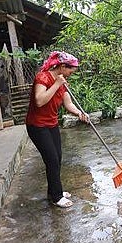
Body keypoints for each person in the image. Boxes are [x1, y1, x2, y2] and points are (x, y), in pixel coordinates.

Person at [25, 51, 89, 208]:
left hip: (51, 124)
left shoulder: (62, 82)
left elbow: (68, 104)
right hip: (37, 126)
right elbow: (39, 101)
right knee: (52, 159)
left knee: (56, 158)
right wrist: (57, 84)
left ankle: (54, 190)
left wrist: (79, 113)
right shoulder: (43, 77)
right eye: (69, 71)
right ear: (61, 66)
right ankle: (57, 197)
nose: (70, 75)